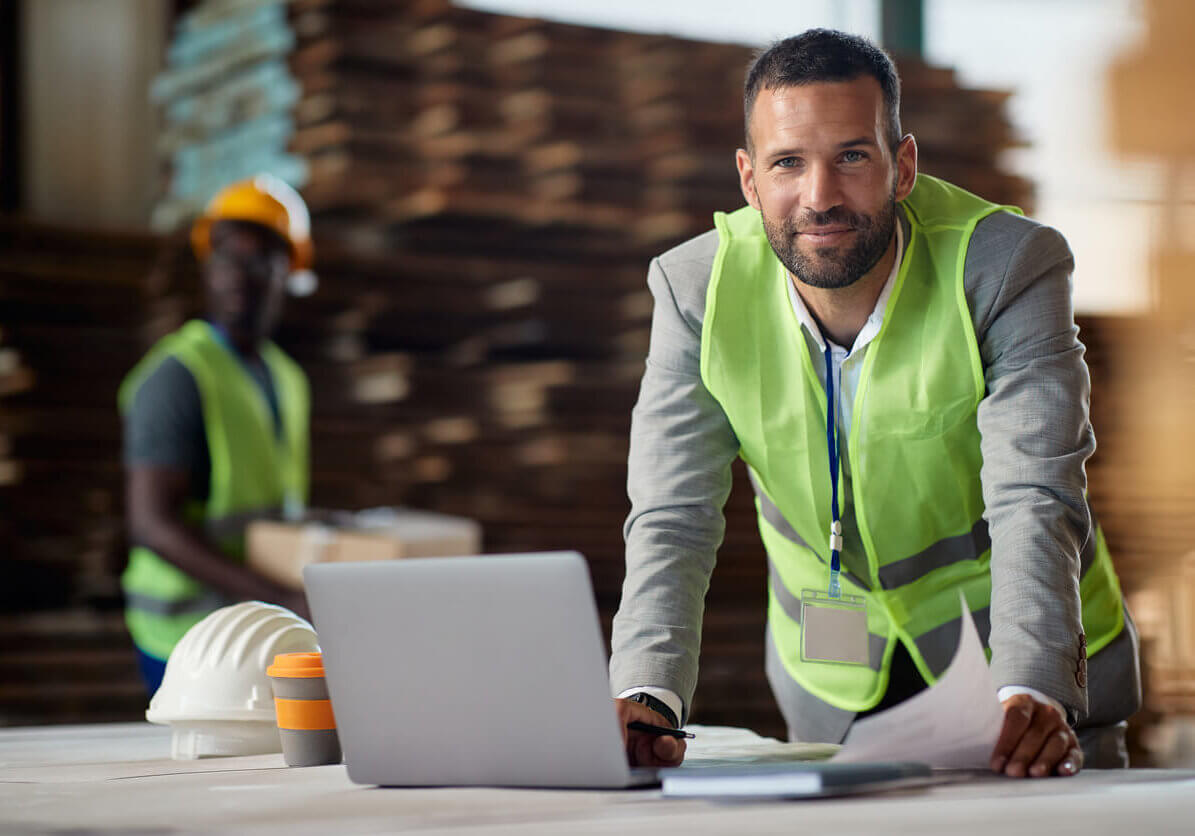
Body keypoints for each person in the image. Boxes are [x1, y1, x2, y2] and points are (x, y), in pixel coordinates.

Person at [609, 30, 1141, 778]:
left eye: (852, 156)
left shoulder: (1005, 267)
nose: (819, 195)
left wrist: (1032, 687)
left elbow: (1034, 493)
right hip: (834, 692)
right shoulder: (694, 290)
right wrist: (646, 692)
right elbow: (673, 512)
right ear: (748, 179)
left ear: (903, 167)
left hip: (1021, 685)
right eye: (787, 162)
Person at [120, 174, 315, 694]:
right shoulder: (177, 377)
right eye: (227, 256)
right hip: (186, 640)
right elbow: (151, 523)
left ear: (289, 274)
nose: (239, 275)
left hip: (256, 631)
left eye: (260, 260)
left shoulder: (287, 380)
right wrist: (283, 597)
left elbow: (274, 507)